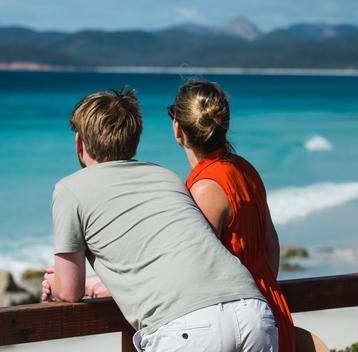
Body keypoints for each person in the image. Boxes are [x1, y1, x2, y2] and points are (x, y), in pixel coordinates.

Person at [42, 89, 278, 352]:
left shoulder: (69, 189)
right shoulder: (166, 177)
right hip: (253, 312)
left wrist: (56, 285)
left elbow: (70, 290)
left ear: (79, 142)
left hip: (186, 327)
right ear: (135, 139)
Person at [167, 80, 295, 352]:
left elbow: (197, 271)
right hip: (269, 307)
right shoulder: (245, 169)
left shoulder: (205, 188)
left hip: (239, 324)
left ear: (178, 129)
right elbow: (271, 246)